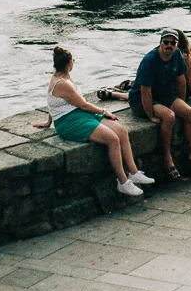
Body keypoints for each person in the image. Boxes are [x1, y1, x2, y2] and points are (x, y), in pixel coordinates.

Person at [35, 46, 154, 198]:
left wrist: (47, 121)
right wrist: (104, 111)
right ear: (69, 63)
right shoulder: (61, 83)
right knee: (112, 139)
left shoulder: (63, 76)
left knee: (122, 132)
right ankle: (123, 182)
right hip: (69, 122)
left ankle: (134, 172)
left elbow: (53, 102)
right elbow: (83, 104)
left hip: (81, 114)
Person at [128, 29, 191, 181]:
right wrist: (151, 115)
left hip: (165, 94)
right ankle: (167, 158)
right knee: (169, 116)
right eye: (166, 42)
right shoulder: (150, 60)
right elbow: (145, 92)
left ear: (177, 45)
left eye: (172, 43)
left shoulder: (177, 55)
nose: (169, 45)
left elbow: (181, 81)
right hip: (141, 99)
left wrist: (181, 102)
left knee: (189, 112)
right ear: (160, 43)